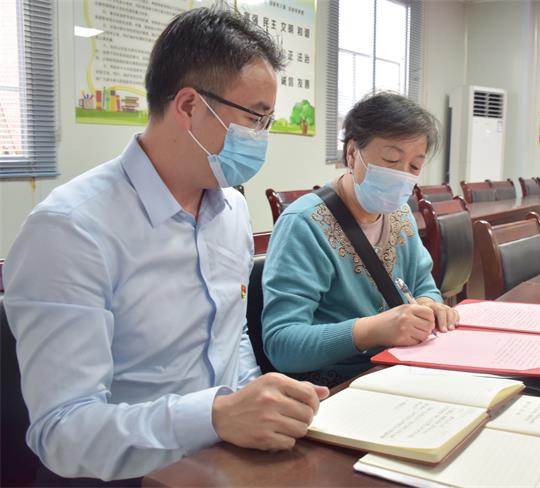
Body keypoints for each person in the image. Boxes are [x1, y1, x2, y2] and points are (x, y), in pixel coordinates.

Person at [3, 8, 328, 482]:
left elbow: (230, 336)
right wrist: (214, 416)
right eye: (255, 118)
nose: (263, 137)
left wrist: (261, 401)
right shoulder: (71, 230)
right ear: (189, 106)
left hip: (225, 460)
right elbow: (63, 432)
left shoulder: (232, 211)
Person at [262, 92, 460, 388]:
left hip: (397, 370)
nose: (402, 176)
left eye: (414, 167)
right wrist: (372, 330)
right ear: (353, 154)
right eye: (391, 160)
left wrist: (428, 305)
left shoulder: (400, 213)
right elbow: (282, 344)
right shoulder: (304, 225)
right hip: (335, 388)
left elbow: (422, 283)